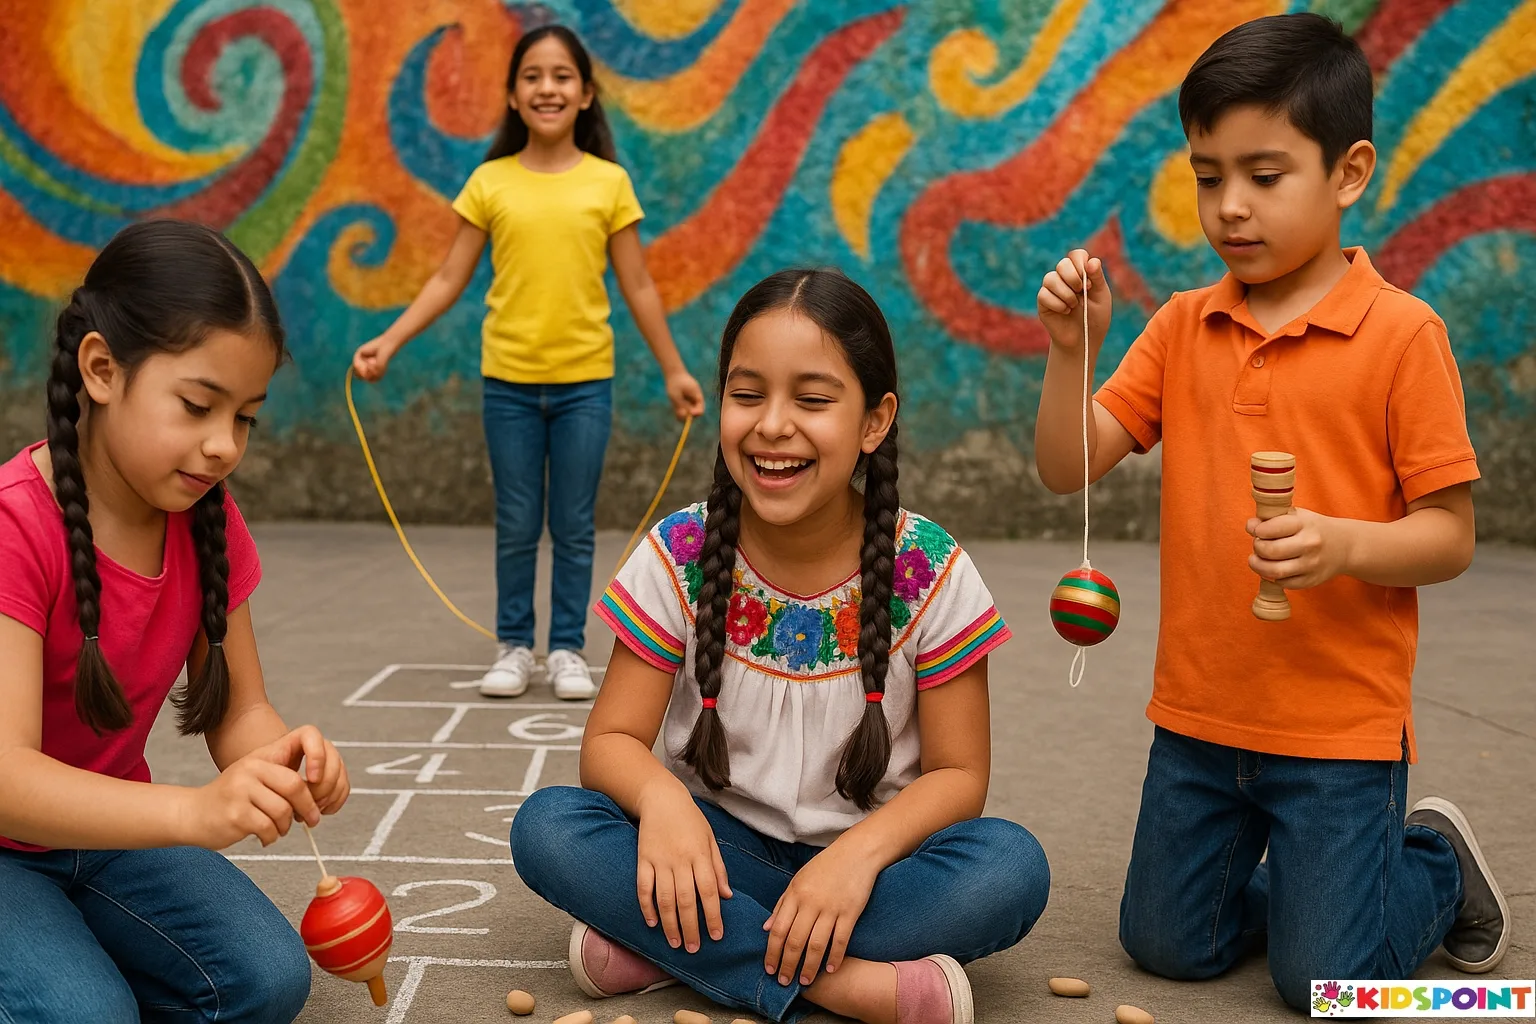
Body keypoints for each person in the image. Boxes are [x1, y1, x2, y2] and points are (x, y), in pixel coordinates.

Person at [1031, 13, 1506, 1010]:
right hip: (1200, 718)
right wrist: (1071, 349)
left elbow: (1450, 536)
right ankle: (1320, 886)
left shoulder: (1402, 336)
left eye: (1265, 174)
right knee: (1164, 944)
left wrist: (1343, 544)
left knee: (1325, 985)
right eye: (1209, 176)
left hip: (1339, 730)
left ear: (1348, 172)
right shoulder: (1181, 325)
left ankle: (1431, 866)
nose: (1230, 207)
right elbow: (1066, 469)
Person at [510, 268, 1049, 1024]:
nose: (772, 425)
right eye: (747, 392)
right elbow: (610, 742)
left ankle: (681, 950)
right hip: (717, 852)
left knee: (1010, 868)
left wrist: (853, 862)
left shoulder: (929, 567)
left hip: (875, 870)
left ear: (874, 420)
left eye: (814, 399)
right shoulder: (681, 551)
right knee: (549, 827)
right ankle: (851, 985)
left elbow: (960, 775)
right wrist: (665, 804)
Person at [0, 220, 352, 1022]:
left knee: (265, 978)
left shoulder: (205, 518)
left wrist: (283, 759)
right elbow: (6, 778)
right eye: (197, 406)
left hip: (107, 834)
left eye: (246, 417)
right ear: (101, 369)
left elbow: (238, 711)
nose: (223, 445)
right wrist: (193, 813)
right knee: (87, 1014)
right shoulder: (16, 526)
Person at [352, 24, 706, 700]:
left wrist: (674, 369)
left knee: (573, 524)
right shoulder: (490, 182)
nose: (548, 88)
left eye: (562, 76)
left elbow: (637, 285)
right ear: (514, 96)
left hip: (585, 387)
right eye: (533, 77)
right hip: (508, 385)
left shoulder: (609, 184)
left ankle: (567, 648)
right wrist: (390, 340)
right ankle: (515, 644)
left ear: (586, 94)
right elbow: (448, 278)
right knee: (517, 522)